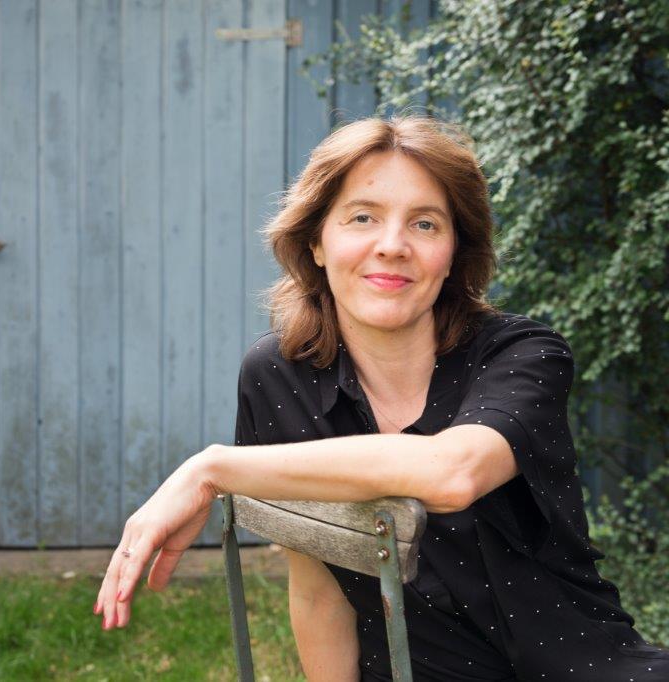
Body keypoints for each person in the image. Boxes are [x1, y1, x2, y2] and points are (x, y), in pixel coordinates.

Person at [92, 115, 669, 681]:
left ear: (454, 252)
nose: (392, 246)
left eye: (425, 224)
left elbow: (452, 474)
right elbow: (319, 588)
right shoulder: (276, 378)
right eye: (362, 217)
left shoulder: (524, 354)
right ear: (316, 241)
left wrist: (211, 470)